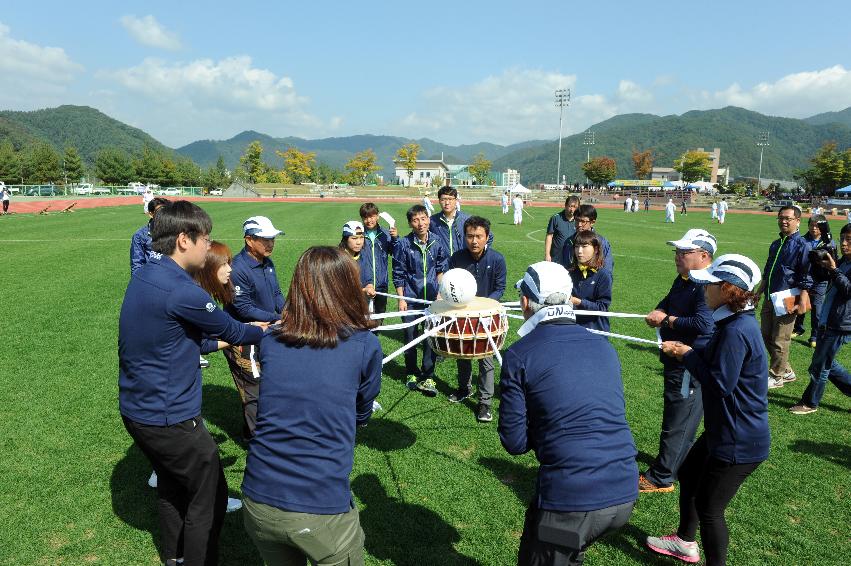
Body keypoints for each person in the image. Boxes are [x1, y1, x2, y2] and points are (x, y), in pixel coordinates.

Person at [118, 201, 266, 566]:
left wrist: (226, 340)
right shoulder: (185, 292)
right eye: (206, 239)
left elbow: (187, 339)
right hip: (171, 418)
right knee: (210, 495)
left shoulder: (147, 275)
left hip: (139, 412)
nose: (209, 247)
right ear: (184, 240)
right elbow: (234, 329)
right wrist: (274, 328)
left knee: (172, 486)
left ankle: (175, 557)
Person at [242, 246, 381, 566]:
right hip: (321, 510)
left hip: (258, 499)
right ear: (348, 288)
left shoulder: (271, 339)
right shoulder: (364, 344)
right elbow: (363, 409)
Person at [500, 261, 638, 566]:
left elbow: (514, 442)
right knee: (562, 550)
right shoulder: (603, 346)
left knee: (547, 556)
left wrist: (550, 430)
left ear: (526, 301)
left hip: (572, 501)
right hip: (624, 492)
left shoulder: (519, 355)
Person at [647, 253, 769, 566]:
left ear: (728, 290)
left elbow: (719, 385)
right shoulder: (731, 322)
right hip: (724, 429)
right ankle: (685, 542)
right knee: (688, 471)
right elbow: (716, 362)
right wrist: (686, 350)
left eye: (709, 285)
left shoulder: (736, 331)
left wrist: (685, 354)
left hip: (738, 438)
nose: (703, 291)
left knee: (710, 508)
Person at [640, 229, 716, 493]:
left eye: (685, 252)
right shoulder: (686, 278)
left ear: (704, 256)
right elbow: (669, 301)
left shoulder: (706, 283)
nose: (677, 256)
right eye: (677, 251)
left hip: (688, 362)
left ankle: (661, 477)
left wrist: (668, 320)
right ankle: (675, 465)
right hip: (678, 359)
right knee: (681, 416)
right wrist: (661, 309)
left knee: (678, 419)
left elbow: (704, 324)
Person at [223, 215, 286, 440]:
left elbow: (277, 293)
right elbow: (244, 308)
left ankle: (253, 431)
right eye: (265, 239)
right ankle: (257, 442)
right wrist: (277, 319)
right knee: (253, 390)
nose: (270, 244)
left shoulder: (267, 263)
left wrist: (287, 311)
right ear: (249, 240)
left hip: (265, 331)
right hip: (243, 336)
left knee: (265, 385)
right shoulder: (238, 268)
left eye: (272, 239)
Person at [447, 216, 507, 422]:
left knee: (486, 359)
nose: (474, 241)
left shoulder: (497, 259)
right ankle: (464, 388)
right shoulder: (457, 258)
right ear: (464, 237)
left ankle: (485, 403)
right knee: (462, 353)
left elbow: (500, 288)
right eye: (470, 236)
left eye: (479, 236)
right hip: (463, 314)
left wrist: (485, 306)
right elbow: (450, 285)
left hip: (487, 316)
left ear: (487, 237)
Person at [789, 223, 851, 414]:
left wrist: (834, 270)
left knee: (820, 366)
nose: (844, 243)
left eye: (849, 240)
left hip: (842, 324)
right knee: (827, 363)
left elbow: (848, 290)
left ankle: (810, 403)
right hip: (829, 318)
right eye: (842, 239)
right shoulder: (844, 261)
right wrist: (822, 265)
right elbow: (828, 280)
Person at [393, 204, 448, 396]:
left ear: (428, 219)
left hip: (432, 299)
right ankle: (411, 373)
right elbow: (398, 273)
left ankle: (428, 375)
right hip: (410, 297)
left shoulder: (437, 241)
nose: (420, 223)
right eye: (415, 220)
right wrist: (401, 298)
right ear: (410, 223)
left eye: (423, 218)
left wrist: (440, 293)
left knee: (430, 338)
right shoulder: (403, 244)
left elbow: (441, 269)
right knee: (410, 337)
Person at [757, 205, 812, 388]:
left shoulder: (803, 245)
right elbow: (767, 271)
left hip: (789, 298)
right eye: (781, 218)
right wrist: (758, 293)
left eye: (788, 218)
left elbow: (806, 276)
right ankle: (786, 370)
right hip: (770, 297)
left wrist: (802, 301)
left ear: (798, 221)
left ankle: (777, 376)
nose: (784, 221)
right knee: (765, 335)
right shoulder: (775, 244)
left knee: (781, 339)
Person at [792, 215, 834, 346]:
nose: (814, 228)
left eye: (817, 226)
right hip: (803, 278)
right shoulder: (802, 240)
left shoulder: (829, 242)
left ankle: (815, 336)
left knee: (817, 309)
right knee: (800, 303)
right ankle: (798, 328)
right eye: (811, 225)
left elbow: (833, 261)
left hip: (820, 280)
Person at [567, 230, 612, 332]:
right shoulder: (570, 272)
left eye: (584, 246)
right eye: (577, 246)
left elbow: (602, 307)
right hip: (572, 328)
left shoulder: (603, 275)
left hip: (595, 330)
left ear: (596, 249)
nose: (579, 251)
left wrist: (578, 302)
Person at [359, 202, 397, 314]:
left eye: (372, 216)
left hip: (381, 284)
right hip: (363, 284)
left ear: (378, 216)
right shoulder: (359, 235)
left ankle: (375, 332)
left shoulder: (386, 233)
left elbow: (395, 252)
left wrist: (395, 238)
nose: (369, 220)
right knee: (362, 316)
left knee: (380, 314)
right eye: (365, 217)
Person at [561, 204, 613, 274]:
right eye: (576, 220)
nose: (579, 224)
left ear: (592, 222)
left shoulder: (601, 242)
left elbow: (607, 269)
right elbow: (565, 266)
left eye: (583, 221)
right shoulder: (569, 241)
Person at [130, 197, 169, 276]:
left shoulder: (176, 231)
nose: (163, 215)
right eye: (160, 211)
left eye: (166, 211)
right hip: (151, 278)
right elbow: (136, 264)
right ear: (151, 214)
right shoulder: (140, 235)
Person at [429, 186, 471, 256]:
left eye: (450, 199)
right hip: (441, 265)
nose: (447, 202)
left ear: (456, 200)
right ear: (439, 201)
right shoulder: (432, 221)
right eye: (443, 199)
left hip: (463, 264)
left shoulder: (467, 219)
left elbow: (488, 236)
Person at [545, 195, 580, 265]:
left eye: (575, 207)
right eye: (570, 206)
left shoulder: (579, 220)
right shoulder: (556, 218)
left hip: (572, 257)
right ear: (565, 205)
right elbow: (549, 236)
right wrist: (547, 254)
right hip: (556, 257)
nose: (572, 209)